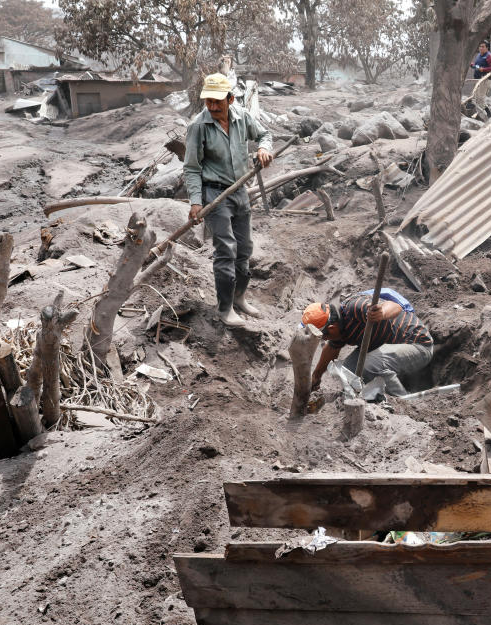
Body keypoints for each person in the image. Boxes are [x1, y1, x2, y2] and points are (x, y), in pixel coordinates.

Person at [183, 73, 273, 327]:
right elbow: (191, 167)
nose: (212, 108)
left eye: (217, 102)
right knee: (226, 249)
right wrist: (196, 202)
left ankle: (239, 298)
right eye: (208, 102)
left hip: (239, 191)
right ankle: (224, 309)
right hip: (214, 193)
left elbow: (265, 135)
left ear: (230, 99)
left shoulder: (242, 117)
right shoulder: (198, 127)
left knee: (244, 249)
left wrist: (264, 149)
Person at [301, 291, 433, 396]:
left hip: (417, 345)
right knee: (347, 372)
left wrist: (382, 313)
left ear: (331, 328)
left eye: (322, 336)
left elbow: (395, 307)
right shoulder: (338, 328)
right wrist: (316, 376)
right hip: (388, 348)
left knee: (368, 365)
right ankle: (373, 393)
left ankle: (403, 400)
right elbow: (331, 349)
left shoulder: (355, 308)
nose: (323, 340)